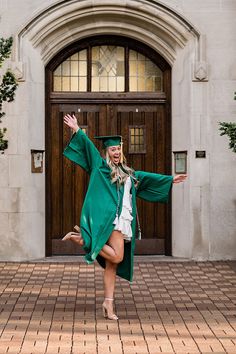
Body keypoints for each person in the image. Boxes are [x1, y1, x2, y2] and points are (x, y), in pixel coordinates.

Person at [62, 113, 187, 320]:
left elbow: (147, 178)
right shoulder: (100, 168)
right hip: (111, 220)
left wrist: (170, 179)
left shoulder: (128, 173)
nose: (117, 152)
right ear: (107, 152)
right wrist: (77, 129)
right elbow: (89, 149)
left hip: (124, 220)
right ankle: (87, 241)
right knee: (118, 256)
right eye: (113, 149)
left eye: (119, 149)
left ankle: (108, 304)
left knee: (112, 265)